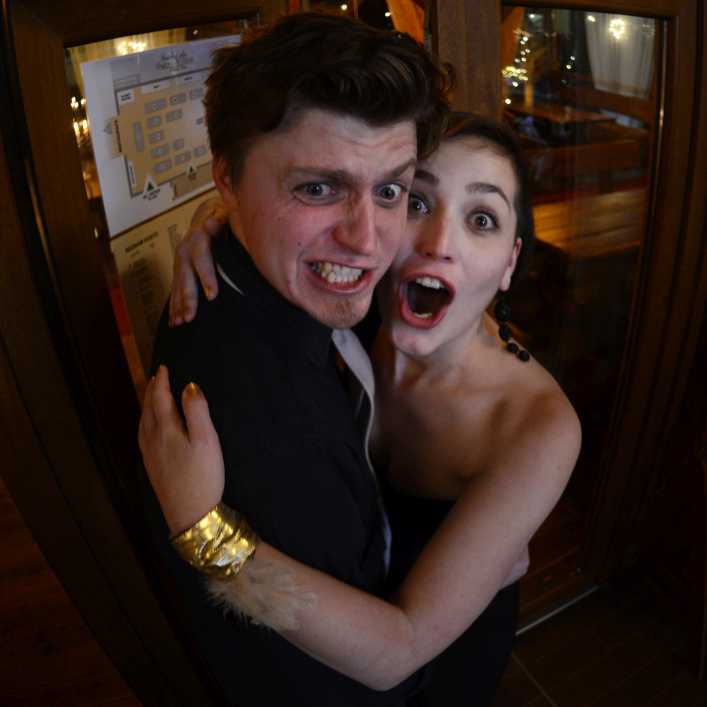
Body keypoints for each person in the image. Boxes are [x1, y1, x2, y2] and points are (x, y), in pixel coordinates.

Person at [140, 113, 581, 705]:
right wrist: (215, 228)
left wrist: (204, 531)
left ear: (509, 262)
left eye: (482, 219)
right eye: (416, 202)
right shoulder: (360, 301)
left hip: (434, 662)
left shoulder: (539, 427)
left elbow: (399, 651)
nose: (438, 243)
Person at [138, 11, 450, 707]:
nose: (367, 240)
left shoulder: (249, 263)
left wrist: (213, 217)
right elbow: (365, 678)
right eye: (317, 188)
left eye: (390, 189)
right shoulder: (269, 432)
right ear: (227, 179)